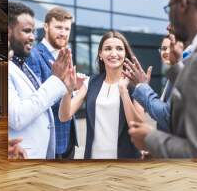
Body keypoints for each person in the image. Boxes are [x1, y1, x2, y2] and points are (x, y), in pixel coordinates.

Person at [127, 0, 197, 158]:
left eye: (168, 10)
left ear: (182, 4)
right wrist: (176, 67)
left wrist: (150, 139)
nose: (167, 24)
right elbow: (189, 103)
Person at [58, 31, 145, 159]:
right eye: (108, 49)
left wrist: (123, 91)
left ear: (125, 53)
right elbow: (64, 116)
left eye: (119, 49)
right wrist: (68, 90)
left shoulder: (135, 85)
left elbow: (138, 127)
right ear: (100, 54)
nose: (113, 53)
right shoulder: (91, 83)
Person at [7, 2, 74, 159]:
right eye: (26, 31)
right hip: (27, 154)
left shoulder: (20, 63)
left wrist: (70, 88)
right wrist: (58, 81)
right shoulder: (29, 57)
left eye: (67, 29)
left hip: (46, 148)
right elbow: (18, 116)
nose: (32, 37)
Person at [26, 7, 81, 159]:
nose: (63, 32)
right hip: (50, 140)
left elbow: (66, 90)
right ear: (45, 27)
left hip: (68, 138)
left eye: (67, 28)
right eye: (58, 27)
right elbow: (36, 101)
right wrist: (79, 93)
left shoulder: (64, 54)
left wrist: (75, 88)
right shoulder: (33, 56)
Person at [125, 35, 193, 132]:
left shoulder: (183, 74)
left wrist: (142, 87)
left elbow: (166, 116)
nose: (166, 52)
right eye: (163, 48)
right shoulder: (171, 77)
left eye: (171, 47)